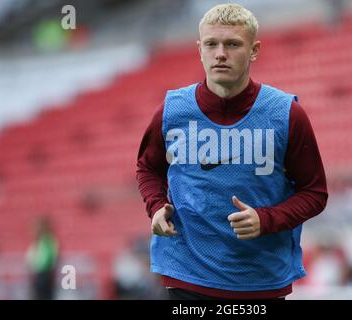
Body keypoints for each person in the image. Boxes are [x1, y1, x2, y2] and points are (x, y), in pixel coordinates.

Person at [136, 3, 328, 300]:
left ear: (254, 50)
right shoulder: (172, 111)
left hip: (260, 281)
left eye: (233, 44)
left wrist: (266, 220)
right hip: (187, 277)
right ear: (199, 49)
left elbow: (314, 193)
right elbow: (148, 168)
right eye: (211, 44)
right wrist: (156, 206)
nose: (221, 53)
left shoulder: (286, 114)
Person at [26, 216, 59, 300]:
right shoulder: (41, 241)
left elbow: (49, 259)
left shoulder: (48, 240)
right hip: (41, 275)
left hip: (45, 275)